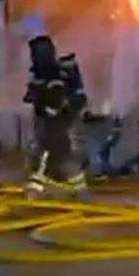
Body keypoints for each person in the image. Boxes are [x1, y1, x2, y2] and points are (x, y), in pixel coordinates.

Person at [23, 36, 89, 194]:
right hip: (50, 128)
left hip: (63, 128)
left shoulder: (65, 71)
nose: (35, 58)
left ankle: (77, 195)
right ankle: (41, 194)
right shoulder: (37, 74)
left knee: (60, 161)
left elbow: (78, 99)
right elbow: (34, 98)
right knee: (44, 160)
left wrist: (63, 108)